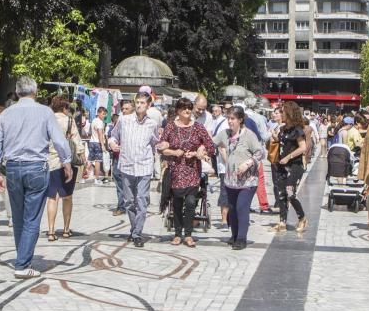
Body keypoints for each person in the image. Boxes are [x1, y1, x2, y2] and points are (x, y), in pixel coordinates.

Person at [0, 77, 72, 279]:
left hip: (13, 168)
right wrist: (66, 161)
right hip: (36, 167)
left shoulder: (6, 114)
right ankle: (23, 264)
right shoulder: (45, 112)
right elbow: (59, 140)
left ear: (17, 93)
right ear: (34, 92)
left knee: (18, 217)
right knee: (32, 217)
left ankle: (22, 256)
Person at [157, 97, 214, 248]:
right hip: (176, 170)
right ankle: (177, 234)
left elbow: (211, 146)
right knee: (177, 202)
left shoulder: (198, 127)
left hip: (192, 170)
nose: (187, 111)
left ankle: (188, 234)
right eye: (184, 108)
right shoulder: (170, 127)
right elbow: (161, 149)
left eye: (189, 108)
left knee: (190, 202)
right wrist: (174, 152)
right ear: (178, 111)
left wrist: (199, 151)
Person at [108, 94, 159, 247]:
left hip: (144, 166)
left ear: (148, 105)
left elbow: (156, 142)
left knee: (142, 200)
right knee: (129, 201)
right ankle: (133, 228)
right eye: (137, 102)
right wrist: (112, 143)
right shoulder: (124, 120)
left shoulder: (152, 124)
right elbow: (113, 136)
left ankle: (137, 233)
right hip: (127, 165)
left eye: (142, 103)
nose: (139, 105)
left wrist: (163, 147)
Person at [214, 106, 265, 249]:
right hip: (231, 180)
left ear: (240, 119)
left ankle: (242, 238)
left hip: (248, 181)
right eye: (228, 118)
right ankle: (235, 235)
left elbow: (260, 153)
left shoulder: (249, 135)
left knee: (241, 207)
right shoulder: (225, 134)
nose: (230, 122)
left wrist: (248, 163)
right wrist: (201, 149)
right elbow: (211, 142)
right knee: (233, 208)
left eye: (233, 119)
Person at [44, 95, 82, 240]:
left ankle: (51, 231)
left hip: (50, 161)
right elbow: (76, 139)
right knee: (67, 197)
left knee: (52, 197)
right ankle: (66, 230)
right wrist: (82, 154)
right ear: (65, 107)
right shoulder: (69, 120)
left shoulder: (47, 120)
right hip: (67, 162)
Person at [274, 102, 309, 233]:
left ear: (289, 113)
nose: (281, 114)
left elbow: (303, 148)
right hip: (281, 165)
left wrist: (288, 157)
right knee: (281, 194)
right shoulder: (283, 129)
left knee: (290, 193)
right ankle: (282, 221)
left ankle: (302, 217)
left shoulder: (297, 130)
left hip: (294, 166)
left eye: (283, 112)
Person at [108, 105, 130, 216]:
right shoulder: (120, 122)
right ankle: (121, 206)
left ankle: (131, 206)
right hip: (118, 157)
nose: (124, 111)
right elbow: (112, 136)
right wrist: (112, 144)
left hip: (130, 159)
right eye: (123, 109)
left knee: (131, 185)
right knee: (119, 183)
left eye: (127, 109)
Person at [88, 106, 107, 184]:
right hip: (97, 143)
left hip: (91, 142)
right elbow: (100, 134)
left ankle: (83, 176)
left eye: (105, 114)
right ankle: (96, 179)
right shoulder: (99, 122)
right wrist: (102, 145)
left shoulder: (93, 120)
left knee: (89, 160)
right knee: (98, 161)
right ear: (98, 113)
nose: (104, 116)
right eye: (103, 114)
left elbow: (90, 132)